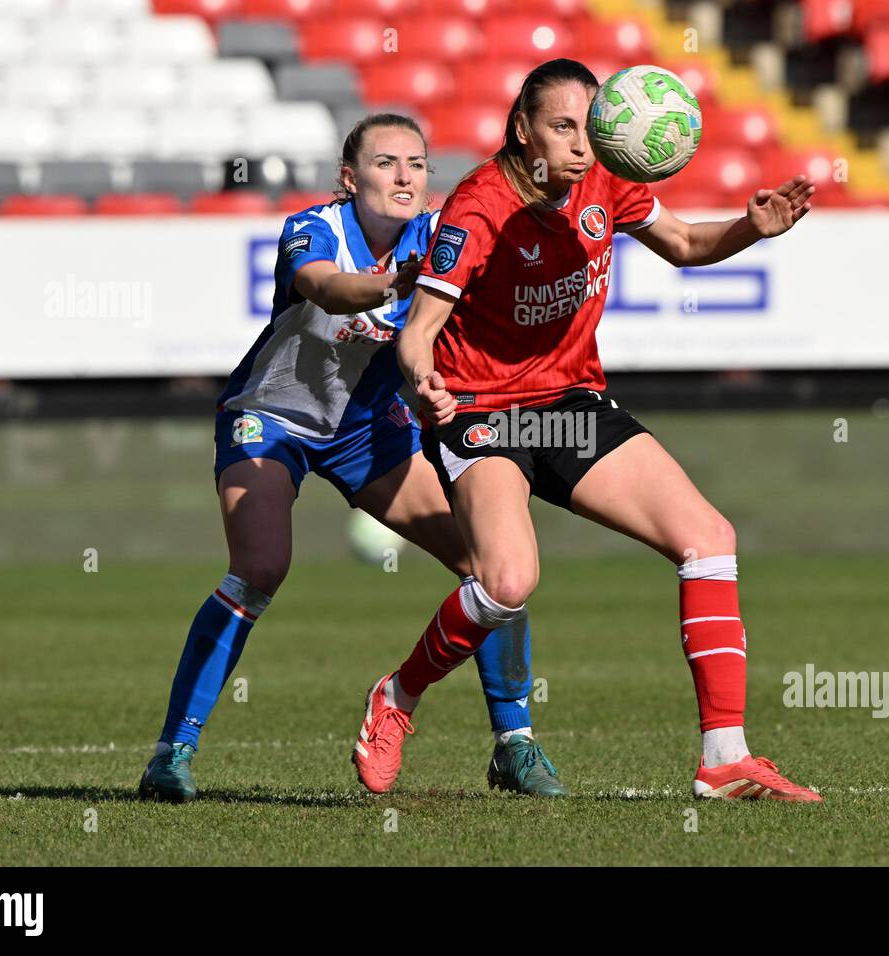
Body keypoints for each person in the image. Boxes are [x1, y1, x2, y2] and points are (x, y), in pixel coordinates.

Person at [352, 60, 822, 801]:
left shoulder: (606, 177)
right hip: (481, 410)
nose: (580, 145)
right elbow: (418, 334)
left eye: (589, 127)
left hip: (569, 403)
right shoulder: (479, 207)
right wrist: (423, 381)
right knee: (506, 584)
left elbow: (689, 246)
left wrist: (750, 229)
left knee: (709, 538)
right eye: (562, 127)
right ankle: (398, 697)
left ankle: (725, 757)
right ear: (522, 129)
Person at [138, 113, 568, 803]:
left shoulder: (439, 240)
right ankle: (172, 752)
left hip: (368, 430)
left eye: (417, 164)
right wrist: (396, 283)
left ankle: (514, 745)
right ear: (349, 177)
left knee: (491, 565)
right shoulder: (313, 228)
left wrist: (438, 391)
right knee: (259, 567)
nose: (404, 175)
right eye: (386, 162)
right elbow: (328, 289)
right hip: (272, 418)